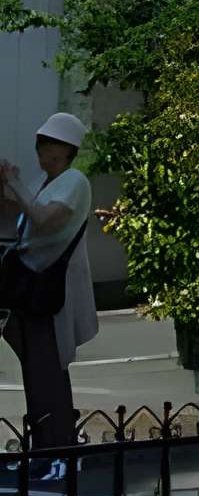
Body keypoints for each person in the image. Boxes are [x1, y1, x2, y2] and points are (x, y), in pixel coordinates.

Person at [1, 110, 99, 473]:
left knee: (46, 372)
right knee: (39, 372)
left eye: (45, 145)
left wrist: (16, 185)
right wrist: (9, 188)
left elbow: (43, 219)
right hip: (33, 293)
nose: (39, 151)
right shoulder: (52, 182)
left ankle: (56, 451)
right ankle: (47, 449)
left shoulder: (74, 181)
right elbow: (26, 221)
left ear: (61, 150)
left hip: (46, 296)